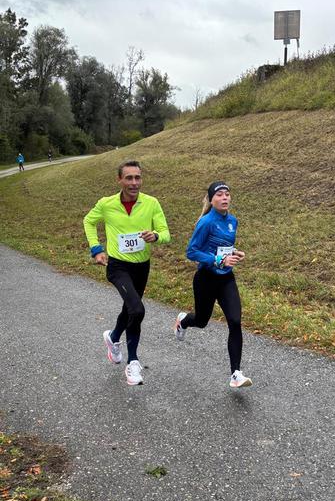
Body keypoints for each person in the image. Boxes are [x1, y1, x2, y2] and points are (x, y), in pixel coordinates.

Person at [83, 160, 170, 385]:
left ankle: (113, 337)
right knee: (137, 310)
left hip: (142, 266)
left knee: (130, 308)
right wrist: (96, 249)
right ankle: (133, 363)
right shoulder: (106, 204)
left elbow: (165, 233)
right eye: (129, 178)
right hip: (118, 266)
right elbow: (89, 221)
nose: (134, 183)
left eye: (137, 177)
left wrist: (155, 236)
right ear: (119, 180)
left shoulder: (151, 203)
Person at [174, 181, 252, 388]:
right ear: (211, 199)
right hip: (206, 279)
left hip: (226, 278)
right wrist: (217, 260)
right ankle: (183, 321)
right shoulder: (206, 222)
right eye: (219, 194)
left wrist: (234, 253)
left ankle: (236, 374)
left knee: (235, 321)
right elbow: (192, 252)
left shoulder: (232, 221)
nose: (224, 197)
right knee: (201, 321)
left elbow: (222, 247)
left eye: (227, 194)